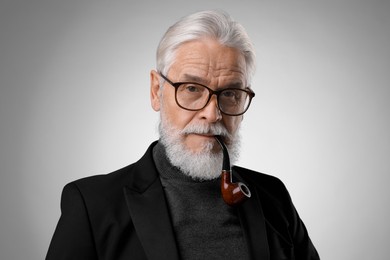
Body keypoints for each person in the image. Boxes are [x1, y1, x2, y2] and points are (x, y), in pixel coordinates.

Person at [46, 10, 320, 260]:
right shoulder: (92, 205)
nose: (213, 114)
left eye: (230, 94)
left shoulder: (274, 198)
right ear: (156, 91)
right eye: (191, 88)